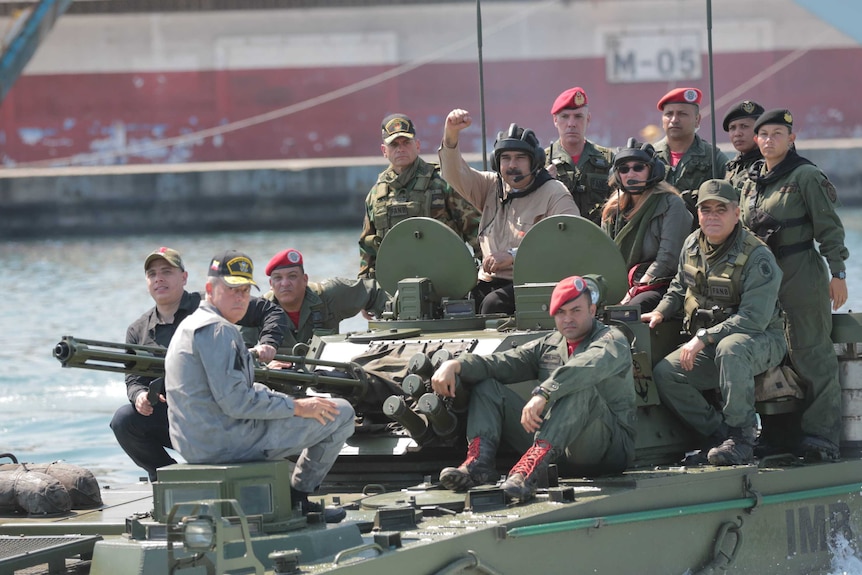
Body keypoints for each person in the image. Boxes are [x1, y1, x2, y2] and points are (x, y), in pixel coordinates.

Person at [165, 250, 354, 523]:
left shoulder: (191, 325)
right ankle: (298, 499)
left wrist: (282, 402)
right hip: (226, 442)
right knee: (342, 412)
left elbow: (233, 393)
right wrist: (298, 407)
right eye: (232, 289)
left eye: (244, 290)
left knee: (296, 408)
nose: (241, 297)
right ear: (210, 289)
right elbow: (238, 402)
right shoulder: (220, 330)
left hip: (195, 441)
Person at [431, 276, 636, 501]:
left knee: (579, 388)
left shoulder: (612, 340)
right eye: (561, 312)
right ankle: (479, 465)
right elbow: (502, 363)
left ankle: (528, 472)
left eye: (576, 310)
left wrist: (544, 392)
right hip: (556, 450)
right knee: (487, 386)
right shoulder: (549, 345)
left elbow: (587, 366)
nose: (568, 318)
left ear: (592, 309)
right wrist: (456, 364)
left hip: (604, 450)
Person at [110, 247, 288, 482]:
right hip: (179, 417)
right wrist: (140, 395)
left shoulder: (210, 305)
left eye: (166, 271)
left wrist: (268, 343)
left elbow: (270, 310)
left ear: (184, 277)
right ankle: (169, 478)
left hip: (223, 411)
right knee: (124, 420)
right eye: (152, 274)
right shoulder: (138, 330)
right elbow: (133, 378)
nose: (158, 278)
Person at [644, 180, 786, 466]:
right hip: (715, 340)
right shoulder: (692, 243)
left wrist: (704, 337)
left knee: (731, 349)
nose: (712, 216)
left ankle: (742, 436)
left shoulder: (757, 256)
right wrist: (660, 312)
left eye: (721, 210)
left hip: (761, 339)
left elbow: (753, 319)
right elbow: (679, 285)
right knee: (666, 374)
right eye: (706, 210)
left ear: (736, 213)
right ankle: (718, 433)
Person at [740, 109, 850, 461]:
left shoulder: (805, 176)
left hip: (801, 273)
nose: (769, 140)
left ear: (791, 138)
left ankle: (821, 437)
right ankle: (778, 434)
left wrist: (838, 273)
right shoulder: (751, 181)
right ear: (756, 141)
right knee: (772, 359)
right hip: (762, 280)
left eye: (777, 133)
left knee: (810, 354)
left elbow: (829, 228)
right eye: (764, 134)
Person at [439, 108, 579, 315]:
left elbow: (570, 242)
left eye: (520, 158)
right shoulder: (491, 187)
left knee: (492, 305)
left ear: (535, 161)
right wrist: (451, 134)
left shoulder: (554, 193)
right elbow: (454, 174)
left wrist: (514, 256)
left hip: (533, 283)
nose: (512, 165)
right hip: (488, 279)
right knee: (454, 305)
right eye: (506, 158)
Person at [359, 113, 481, 278]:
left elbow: (475, 230)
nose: (401, 149)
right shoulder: (376, 195)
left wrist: (486, 274)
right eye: (394, 144)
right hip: (396, 281)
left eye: (406, 142)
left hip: (445, 277)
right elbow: (368, 247)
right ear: (384, 151)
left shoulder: (442, 182)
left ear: (417, 145)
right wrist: (367, 287)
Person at [242, 248, 390, 356]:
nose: (285, 283)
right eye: (278, 278)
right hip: (281, 381)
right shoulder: (259, 310)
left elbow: (373, 292)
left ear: (305, 279)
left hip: (326, 376)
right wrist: (266, 362)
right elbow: (238, 351)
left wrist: (388, 331)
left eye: (292, 276)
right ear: (271, 284)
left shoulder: (329, 295)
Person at [600, 138, 692, 312]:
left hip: (662, 284)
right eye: (624, 169)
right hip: (621, 284)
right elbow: (605, 257)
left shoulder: (671, 204)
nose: (631, 174)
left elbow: (667, 259)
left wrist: (635, 290)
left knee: (629, 310)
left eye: (638, 167)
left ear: (652, 170)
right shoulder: (613, 211)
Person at [653, 87, 729, 221]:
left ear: (697, 119)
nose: (674, 119)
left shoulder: (713, 158)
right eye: (669, 114)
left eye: (682, 114)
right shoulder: (649, 156)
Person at [544, 86, 614, 225]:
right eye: (564, 117)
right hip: (557, 238)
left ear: (587, 119)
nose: (571, 124)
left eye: (578, 117)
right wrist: (542, 185)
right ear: (555, 120)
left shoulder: (607, 160)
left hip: (596, 240)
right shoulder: (542, 162)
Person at [722, 100, 766, 190]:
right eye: (732, 128)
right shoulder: (731, 167)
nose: (737, 133)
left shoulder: (770, 164)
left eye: (744, 126)